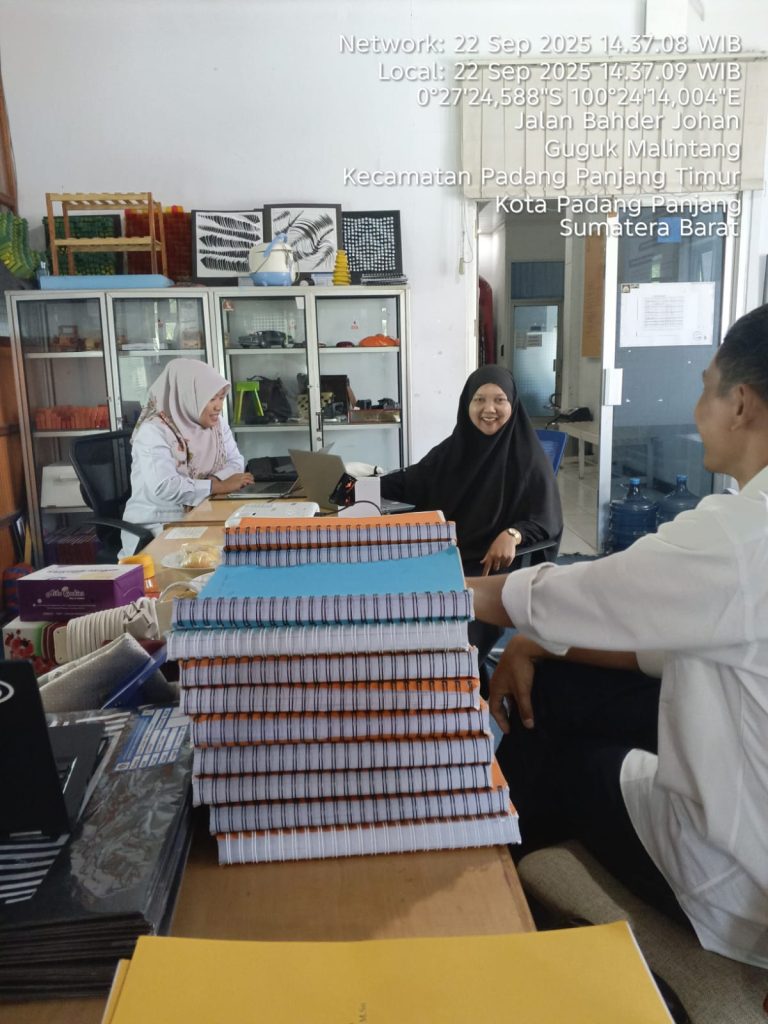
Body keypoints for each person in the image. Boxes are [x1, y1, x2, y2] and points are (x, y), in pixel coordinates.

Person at [467, 304, 768, 968]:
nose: (697, 409)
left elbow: (580, 594)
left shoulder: (740, 534)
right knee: (559, 682)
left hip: (743, 882)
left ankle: (487, 919)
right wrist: (533, 643)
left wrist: (422, 587)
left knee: (554, 759)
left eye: (705, 387)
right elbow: (670, 636)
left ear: (741, 403)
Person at [380, 365, 563, 671]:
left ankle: (462, 688)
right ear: (467, 404)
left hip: (489, 569)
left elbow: (546, 518)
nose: (489, 409)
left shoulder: (528, 458)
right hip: (440, 555)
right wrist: (358, 483)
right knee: (386, 609)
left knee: (448, 638)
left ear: (513, 404)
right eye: (479, 399)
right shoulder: (454, 449)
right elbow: (412, 481)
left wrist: (513, 534)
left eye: (499, 400)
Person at [119, 359, 253, 555]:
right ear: (187, 396)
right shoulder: (153, 431)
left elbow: (236, 462)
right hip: (158, 524)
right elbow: (164, 486)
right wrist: (218, 487)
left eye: (221, 398)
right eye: (211, 399)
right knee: (220, 554)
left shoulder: (216, 424)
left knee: (243, 544)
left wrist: (212, 482)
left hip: (202, 512)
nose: (218, 406)